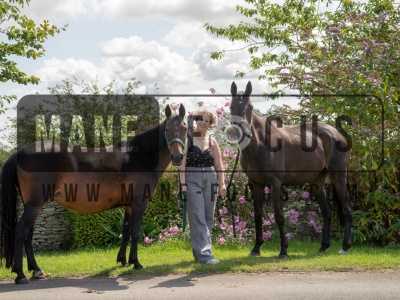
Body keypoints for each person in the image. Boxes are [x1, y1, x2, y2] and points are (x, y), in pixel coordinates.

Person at [180, 108, 227, 265]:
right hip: (192, 178)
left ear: (210, 124)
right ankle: (206, 256)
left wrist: (222, 184)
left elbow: (219, 165)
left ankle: (199, 252)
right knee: (196, 215)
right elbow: (182, 164)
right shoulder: (188, 140)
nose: (204, 123)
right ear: (196, 120)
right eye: (201, 119)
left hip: (211, 177)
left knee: (208, 217)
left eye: (207, 121)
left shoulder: (212, 141)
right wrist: (183, 184)